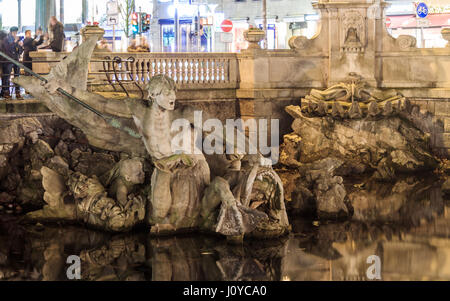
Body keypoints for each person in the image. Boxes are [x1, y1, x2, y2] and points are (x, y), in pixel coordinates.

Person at [1, 27, 23, 99]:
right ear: (10, 32)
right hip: (8, 61)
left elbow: (20, 51)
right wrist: (15, 42)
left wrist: (20, 46)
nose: (15, 34)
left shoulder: (16, 39)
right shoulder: (6, 39)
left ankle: (17, 92)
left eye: (16, 32)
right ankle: (6, 92)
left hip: (16, 60)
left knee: (17, 76)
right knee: (7, 76)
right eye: (14, 32)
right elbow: (7, 49)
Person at [0, 30, 8, 98]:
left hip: (3, 62)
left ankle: (3, 92)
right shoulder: (3, 42)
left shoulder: (2, 42)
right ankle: (3, 92)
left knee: (4, 78)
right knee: (4, 78)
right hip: (3, 63)